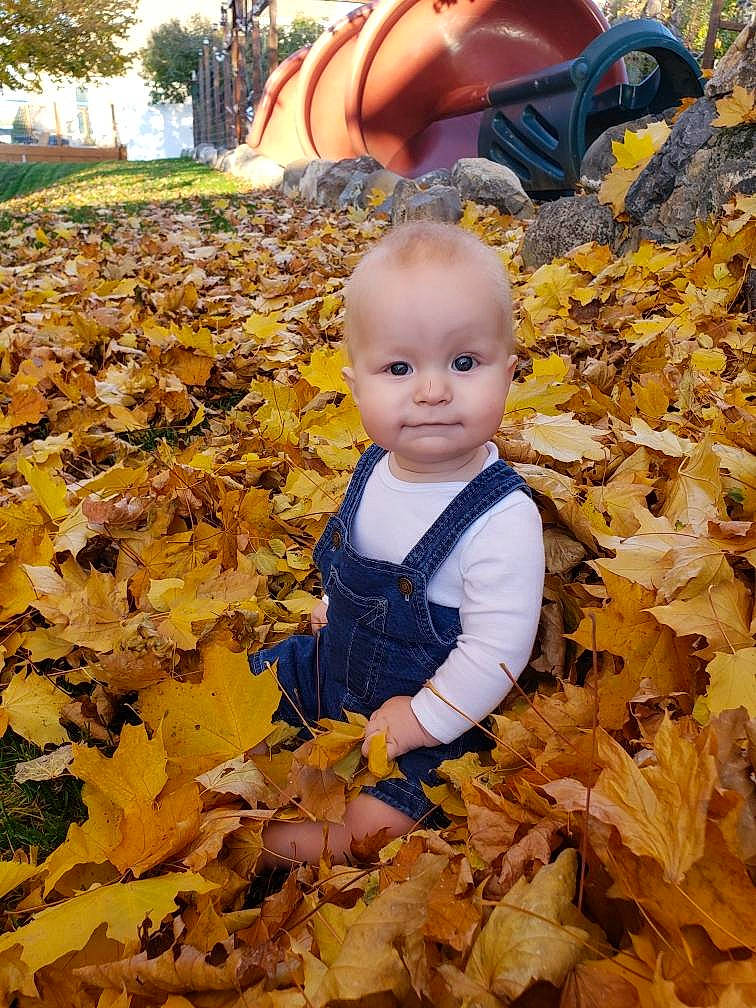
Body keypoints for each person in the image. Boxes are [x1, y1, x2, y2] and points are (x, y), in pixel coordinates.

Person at [249, 220, 545, 867]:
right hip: (335, 665)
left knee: (381, 818)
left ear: (509, 372)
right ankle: (183, 750)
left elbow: (496, 652)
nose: (433, 390)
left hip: (440, 707)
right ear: (357, 386)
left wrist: (420, 721)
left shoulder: (501, 516)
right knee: (255, 684)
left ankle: (270, 848)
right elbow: (354, 555)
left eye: (464, 363)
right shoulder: (374, 470)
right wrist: (335, 602)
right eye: (400, 367)